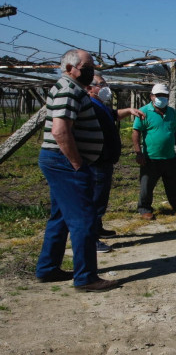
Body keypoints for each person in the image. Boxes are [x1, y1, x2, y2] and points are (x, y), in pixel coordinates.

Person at [36, 49, 119, 292]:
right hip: (65, 163)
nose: (91, 71)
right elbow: (61, 131)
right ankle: (86, 277)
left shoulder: (69, 88)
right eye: (88, 67)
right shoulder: (68, 89)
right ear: (71, 67)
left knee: (60, 217)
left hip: (59, 161)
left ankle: (48, 268)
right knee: (84, 218)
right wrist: (76, 163)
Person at [86, 72, 145, 252]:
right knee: (95, 201)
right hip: (97, 160)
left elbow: (113, 115)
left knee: (101, 198)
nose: (106, 88)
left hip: (104, 160)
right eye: (102, 84)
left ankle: (98, 229)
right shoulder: (89, 105)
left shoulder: (100, 105)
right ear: (90, 87)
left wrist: (128, 110)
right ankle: (91, 240)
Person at [131, 83, 176, 220]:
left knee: (175, 183)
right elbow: (136, 132)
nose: (162, 98)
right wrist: (138, 153)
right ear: (152, 96)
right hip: (151, 157)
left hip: (170, 156)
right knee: (147, 185)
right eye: (158, 95)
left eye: (164, 95)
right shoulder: (143, 111)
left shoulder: (172, 112)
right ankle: (145, 209)